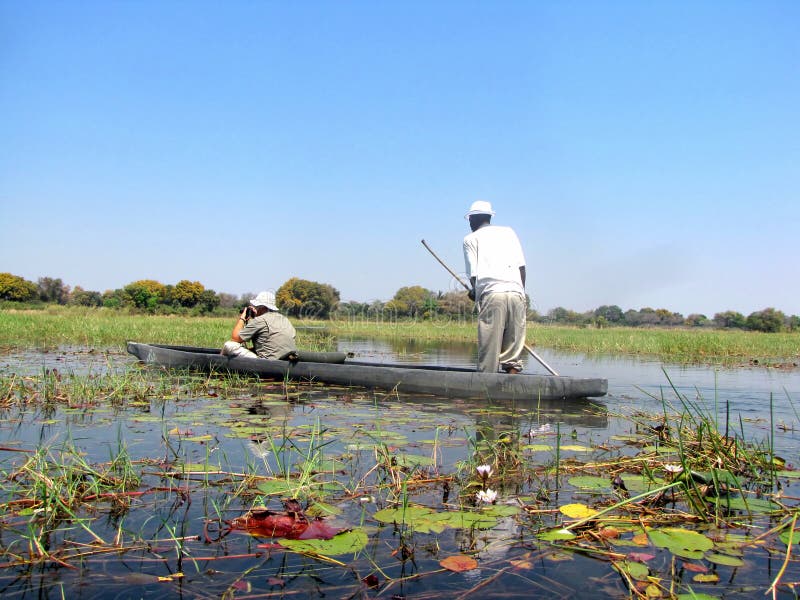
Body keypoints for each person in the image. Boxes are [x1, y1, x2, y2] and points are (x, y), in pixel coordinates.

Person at [462, 200, 528, 374]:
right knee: (513, 355)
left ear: (473, 219)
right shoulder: (509, 232)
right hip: (517, 294)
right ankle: (511, 389)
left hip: (493, 295)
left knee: (489, 352)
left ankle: (485, 392)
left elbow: (474, 276)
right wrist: (521, 294)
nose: (469, 223)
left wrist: (475, 294)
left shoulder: (470, 239)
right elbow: (522, 267)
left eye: (470, 220)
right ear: (489, 217)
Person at [221, 290, 297, 359]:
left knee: (229, 345)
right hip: (287, 358)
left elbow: (235, 338)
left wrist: (242, 318)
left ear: (262, 307)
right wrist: (255, 318)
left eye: (257, 306)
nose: (255, 308)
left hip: (267, 362)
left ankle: (218, 366)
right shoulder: (284, 319)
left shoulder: (260, 320)